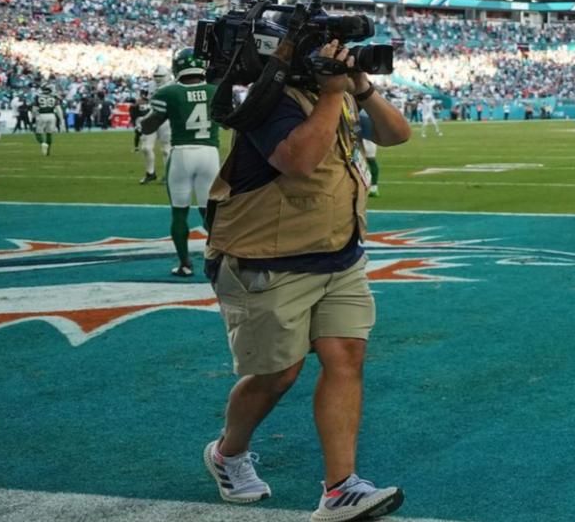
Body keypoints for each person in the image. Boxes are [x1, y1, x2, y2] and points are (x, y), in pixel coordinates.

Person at [201, 39, 410, 521]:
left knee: (347, 355)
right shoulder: (263, 98)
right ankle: (227, 454)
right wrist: (334, 92)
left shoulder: (334, 93)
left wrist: (361, 88)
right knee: (279, 373)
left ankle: (340, 489)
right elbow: (298, 160)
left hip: (338, 253)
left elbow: (396, 134)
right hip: (269, 257)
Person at [140, 50, 222, 279]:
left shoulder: (169, 92)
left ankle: (185, 264)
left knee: (179, 213)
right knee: (211, 214)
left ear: (177, 68)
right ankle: (223, 258)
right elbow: (228, 120)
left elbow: (149, 126)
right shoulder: (214, 91)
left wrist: (141, 122)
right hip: (210, 154)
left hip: (182, 154)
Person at [356, 108, 380, 197]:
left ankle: (362, 187)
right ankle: (374, 187)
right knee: (372, 162)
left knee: (357, 164)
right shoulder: (372, 112)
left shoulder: (358, 113)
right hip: (371, 141)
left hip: (362, 141)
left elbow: (356, 129)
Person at [32, 84, 62, 156]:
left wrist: (34, 117)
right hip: (52, 115)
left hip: (42, 115)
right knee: (49, 133)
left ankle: (43, 143)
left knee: (38, 132)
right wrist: (61, 119)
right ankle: (48, 152)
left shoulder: (38, 97)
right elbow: (58, 109)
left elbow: (34, 109)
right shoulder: (54, 97)